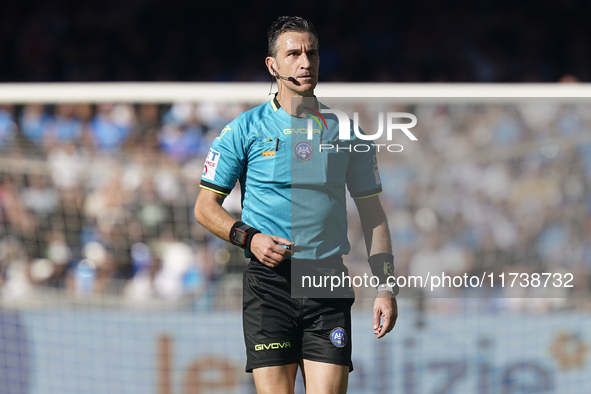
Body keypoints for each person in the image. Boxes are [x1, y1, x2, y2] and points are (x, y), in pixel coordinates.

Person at [194, 16, 397, 394]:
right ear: (273, 65)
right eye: (293, 54)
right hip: (269, 287)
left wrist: (385, 286)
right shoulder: (244, 128)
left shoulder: (347, 130)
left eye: (312, 53)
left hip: (326, 282)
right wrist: (249, 238)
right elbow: (205, 207)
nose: (305, 62)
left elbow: (373, 215)